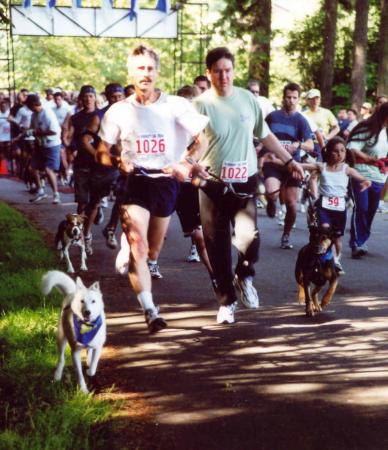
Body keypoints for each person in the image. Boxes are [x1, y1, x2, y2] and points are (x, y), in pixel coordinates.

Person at [96, 45, 209, 333]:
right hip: (136, 181)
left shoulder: (176, 105)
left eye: (150, 68)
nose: (145, 73)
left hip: (166, 181)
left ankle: (134, 251)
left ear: (157, 72)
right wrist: (117, 161)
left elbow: (202, 138)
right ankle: (150, 309)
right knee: (139, 245)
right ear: (130, 72)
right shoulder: (119, 110)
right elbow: (101, 152)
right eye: (140, 68)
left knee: (153, 251)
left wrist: (187, 163)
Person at [192, 47, 304, 325]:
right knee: (216, 245)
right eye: (217, 71)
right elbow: (192, 143)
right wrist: (189, 163)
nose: (223, 76)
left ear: (233, 71)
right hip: (213, 183)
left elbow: (265, 136)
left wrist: (290, 160)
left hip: (244, 181)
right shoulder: (201, 104)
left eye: (227, 70)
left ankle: (245, 275)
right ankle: (226, 302)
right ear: (209, 73)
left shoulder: (247, 99)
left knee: (249, 238)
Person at [302, 137, 371, 274]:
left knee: (337, 239)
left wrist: (366, 181)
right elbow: (300, 166)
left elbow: (360, 177)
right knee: (324, 229)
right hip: (324, 205)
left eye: (342, 151)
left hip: (340, 207)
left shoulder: (346, 169)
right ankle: (320, 258)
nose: (339, 154)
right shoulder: (322, 167)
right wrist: (282, 162)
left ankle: (336, 260)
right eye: (335, 151)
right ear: (328, 152)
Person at [262, 82, 313, 249]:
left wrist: (298, 145)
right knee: (272, 193)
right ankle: (271, 202)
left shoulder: (301, 121)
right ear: (283, 98)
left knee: (292, 204)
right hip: (273, 162)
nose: (291, 100)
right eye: (288, 97)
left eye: (294, 98)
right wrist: (261, 153)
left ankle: (286, 234)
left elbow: (310, 145)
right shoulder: (272, 117)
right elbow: (263, 136)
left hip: (293, 165)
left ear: (299, 100)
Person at [81, 83, 125, 253]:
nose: (117, 100)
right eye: (113, 97)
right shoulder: (99, 116)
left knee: (123, 199)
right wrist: (98, 156)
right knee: (95, 202)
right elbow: (85, 141)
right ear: (107, 97)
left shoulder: (131, 114)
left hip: (123, 165)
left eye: (120, 96)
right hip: (104, 167)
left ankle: (111, 229)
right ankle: (86, 235)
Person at [346, 102, 388, 258]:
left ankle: (362, 240)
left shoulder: (385, 132)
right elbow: (351, 148)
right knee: (361, 207)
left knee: (371, 210)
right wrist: (369, 159)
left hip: (379, 177)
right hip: (361, 174)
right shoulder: (367, 128)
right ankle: (356, 243)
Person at [25, 94, 62, 204]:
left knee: (48, 169)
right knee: (32, 168)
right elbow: (32, 128)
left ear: (33, 104)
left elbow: (54, 131)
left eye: (28, 105)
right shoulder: (34, 115)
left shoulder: (47, 113)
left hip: (52, 144)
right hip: (40, 144)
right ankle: (40, 190)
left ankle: (56, 194)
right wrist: (28, 131)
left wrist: (36, 132)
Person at [304, 88, 340, 159]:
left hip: (322, 144)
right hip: (308, 144)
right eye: (312, 98)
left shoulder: (326, 112)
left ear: (320, 99)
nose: (315, 101)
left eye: (317, 98)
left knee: (321, 166)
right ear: (308, 100)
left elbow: (337, 128)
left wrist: (327, 137)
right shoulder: (303, 114)